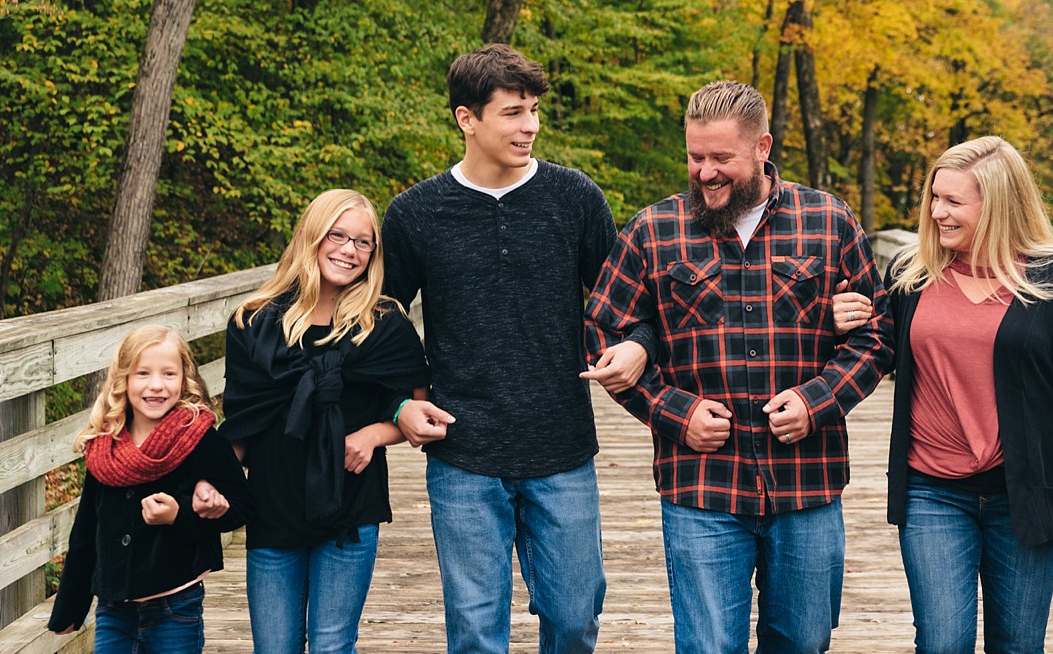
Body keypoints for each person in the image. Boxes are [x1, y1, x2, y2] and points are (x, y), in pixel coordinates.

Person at [585, 80, 892, 654]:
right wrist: (673, 413)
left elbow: (877, 335)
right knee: (706, 647)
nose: (705, 173)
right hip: (701, 486)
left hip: (807, 482)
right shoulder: (653, 231)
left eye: (721, 158)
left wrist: (816, 401)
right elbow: (603, 334)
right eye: (695, 157)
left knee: (802, 643)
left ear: (762, 147)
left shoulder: (828, 221)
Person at [381, 43, 652, 654]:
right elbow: (380, 329)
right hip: (462, 450)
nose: (529, 126)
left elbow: (627, 303)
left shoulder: (575, 197)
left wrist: (636, 345)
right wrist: (399, 404)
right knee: (476, 632)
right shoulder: (416, 213)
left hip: (561, 444)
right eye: (512, 112)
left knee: (575, 617)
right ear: (466, 119)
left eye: (533, 111)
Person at [833, 135, 1053, 653]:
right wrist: (841, 325)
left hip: (1026, 492)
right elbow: (876, 353)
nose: (938, 212)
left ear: (997, 204)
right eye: (934, 198)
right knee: (943, 643)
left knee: (1017, 645)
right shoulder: (910, 272)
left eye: (953, 202)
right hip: (932, 489)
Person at [220, 188, 432, 654]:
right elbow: (240, 421)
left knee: (334, 645)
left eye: (363, 242)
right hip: (272, 504)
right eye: (337, 235)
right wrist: (205, 486)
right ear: (311, 237)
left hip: (350, 505)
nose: (348, 250)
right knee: (274, 647)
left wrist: (375, 434)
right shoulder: (253, 322)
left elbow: (419, 411)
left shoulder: (383, 324)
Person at [48, 325, 252, 652]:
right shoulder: (106, 446)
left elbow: (242, 507)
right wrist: (71, 605)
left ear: (184, 378)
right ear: (124, 379)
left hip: (175, 604)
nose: (156, 385)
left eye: (168, 374)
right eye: (143, 373)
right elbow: (86, 529)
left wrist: (181, 513)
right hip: (114, 607)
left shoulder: (199, 438)